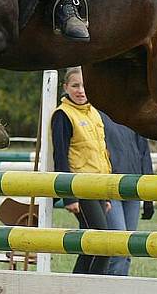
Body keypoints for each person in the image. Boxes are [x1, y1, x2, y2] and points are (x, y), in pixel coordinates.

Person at [51, 66, 111, 274]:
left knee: (89, 246)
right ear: (65, 87)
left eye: (84, 85)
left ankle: (73, 286)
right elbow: (60, 156)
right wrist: (69, 196)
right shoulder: (62, 115)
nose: (80, 90)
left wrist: (108, 195)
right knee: (104, 245)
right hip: (81, 188)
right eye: (75, 85)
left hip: (100, 188)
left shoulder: (94, 112)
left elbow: (101, 153)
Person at [99, 111, 154, 276]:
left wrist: (149, 195)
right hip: (109, 187)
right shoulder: (97, 114)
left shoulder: (133, 115)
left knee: (127, 249)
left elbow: (144, 153)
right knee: (119, 247)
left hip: (133, 188)